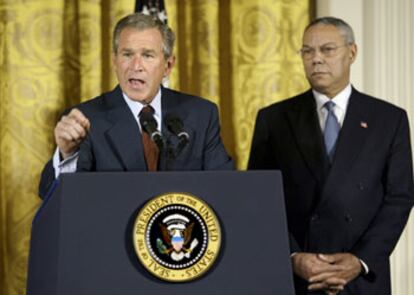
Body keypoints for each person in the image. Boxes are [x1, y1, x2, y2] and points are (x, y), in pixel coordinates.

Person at [248, 16, 413, 295]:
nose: (316, 59)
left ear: (352, 52)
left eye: (327, 49)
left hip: (360, 279)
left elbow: (399, 198)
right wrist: (292, 257)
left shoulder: (389, 119)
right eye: (307, 51)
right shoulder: (274, 119)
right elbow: (259, 197)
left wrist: (359, 261)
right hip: (296, 277)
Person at [39, 13, 233, 199]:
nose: (136, 66)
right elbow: (53, 198)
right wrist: (67, 155)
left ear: (168, 66)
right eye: (127, 54)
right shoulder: (86, 119)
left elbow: (226, 188)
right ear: (115, 61)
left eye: (148, 55)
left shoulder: (201, 114)